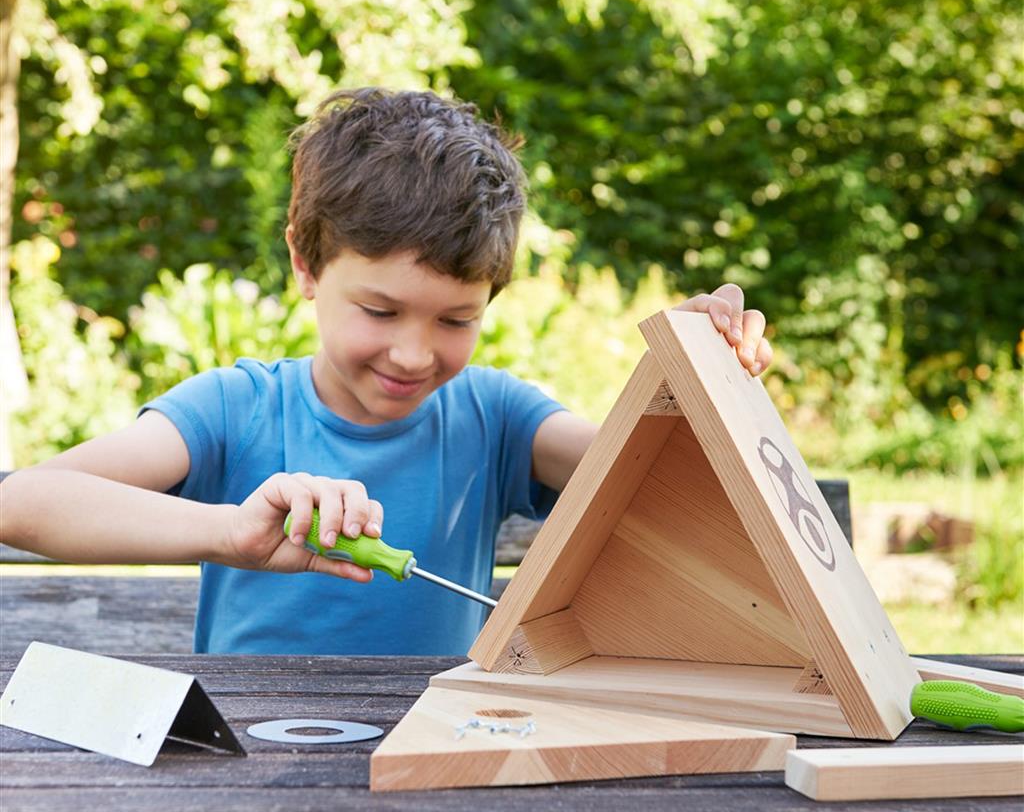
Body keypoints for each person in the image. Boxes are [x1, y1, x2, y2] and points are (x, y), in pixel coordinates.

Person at [0, 88, 772, 655]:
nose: (412, 353)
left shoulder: (495, 417)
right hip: (245, 760)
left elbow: (658, 477)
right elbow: (23, 503)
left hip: (434, 750)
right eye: (378, 311)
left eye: (456, 321)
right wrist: (230, 531)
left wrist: (695, 381)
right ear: (305, 265)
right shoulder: (236, 408)